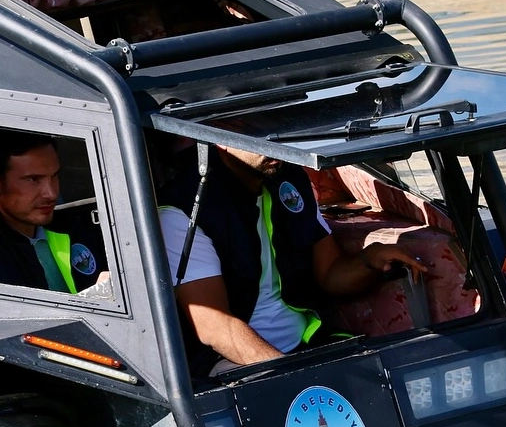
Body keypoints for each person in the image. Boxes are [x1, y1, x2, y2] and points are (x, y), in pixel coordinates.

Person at [160, 144, 424, 376]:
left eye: (277, 131)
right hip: (232, 361)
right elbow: (215, 326)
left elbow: (330, 274)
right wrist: (290, 374)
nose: (273, 143)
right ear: (221, 139)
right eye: (257, 135)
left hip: (310, 344)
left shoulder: (288, 178)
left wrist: (370, 258)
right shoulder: (185, 209)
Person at [0, 130, 109, 294]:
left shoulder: (78, 226)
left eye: (54, 176)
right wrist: (98, 298)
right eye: (33, 180)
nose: (51, 193)